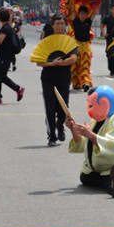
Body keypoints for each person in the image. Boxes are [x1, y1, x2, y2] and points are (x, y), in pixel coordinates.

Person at [35, 14, 78, 147]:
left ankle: (60, 127)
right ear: (52, 25)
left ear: (65, 25)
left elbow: (73, 59)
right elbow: (39, 62)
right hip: (48, 77)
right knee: (50, 106)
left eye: (62, 23)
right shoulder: (46, 42)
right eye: (57, 23)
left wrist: (61, 63)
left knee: (63, 106)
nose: (60, 26)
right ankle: (51, 136)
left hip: (64, 77)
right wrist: (51, 64)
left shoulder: (69, 41)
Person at [70, 4, 96, 91]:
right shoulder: (75, 21)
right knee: (76, 65)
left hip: (86, 46)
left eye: (84, 14)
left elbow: (95, 12)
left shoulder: (88, 21)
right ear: (79, 14)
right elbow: (72, 11)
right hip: (76, 45)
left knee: (85, 64)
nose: (83, 16)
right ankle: (77, 83)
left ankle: (86, 83)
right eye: (81, 13)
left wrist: (96, 1)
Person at [101, 5, 114, 72]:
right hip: (109, 38)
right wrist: (103, 33)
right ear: (111, 10)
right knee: (110, 53)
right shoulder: (107, 18)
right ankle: (111, 69)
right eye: (113, 9)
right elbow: (101, 25)